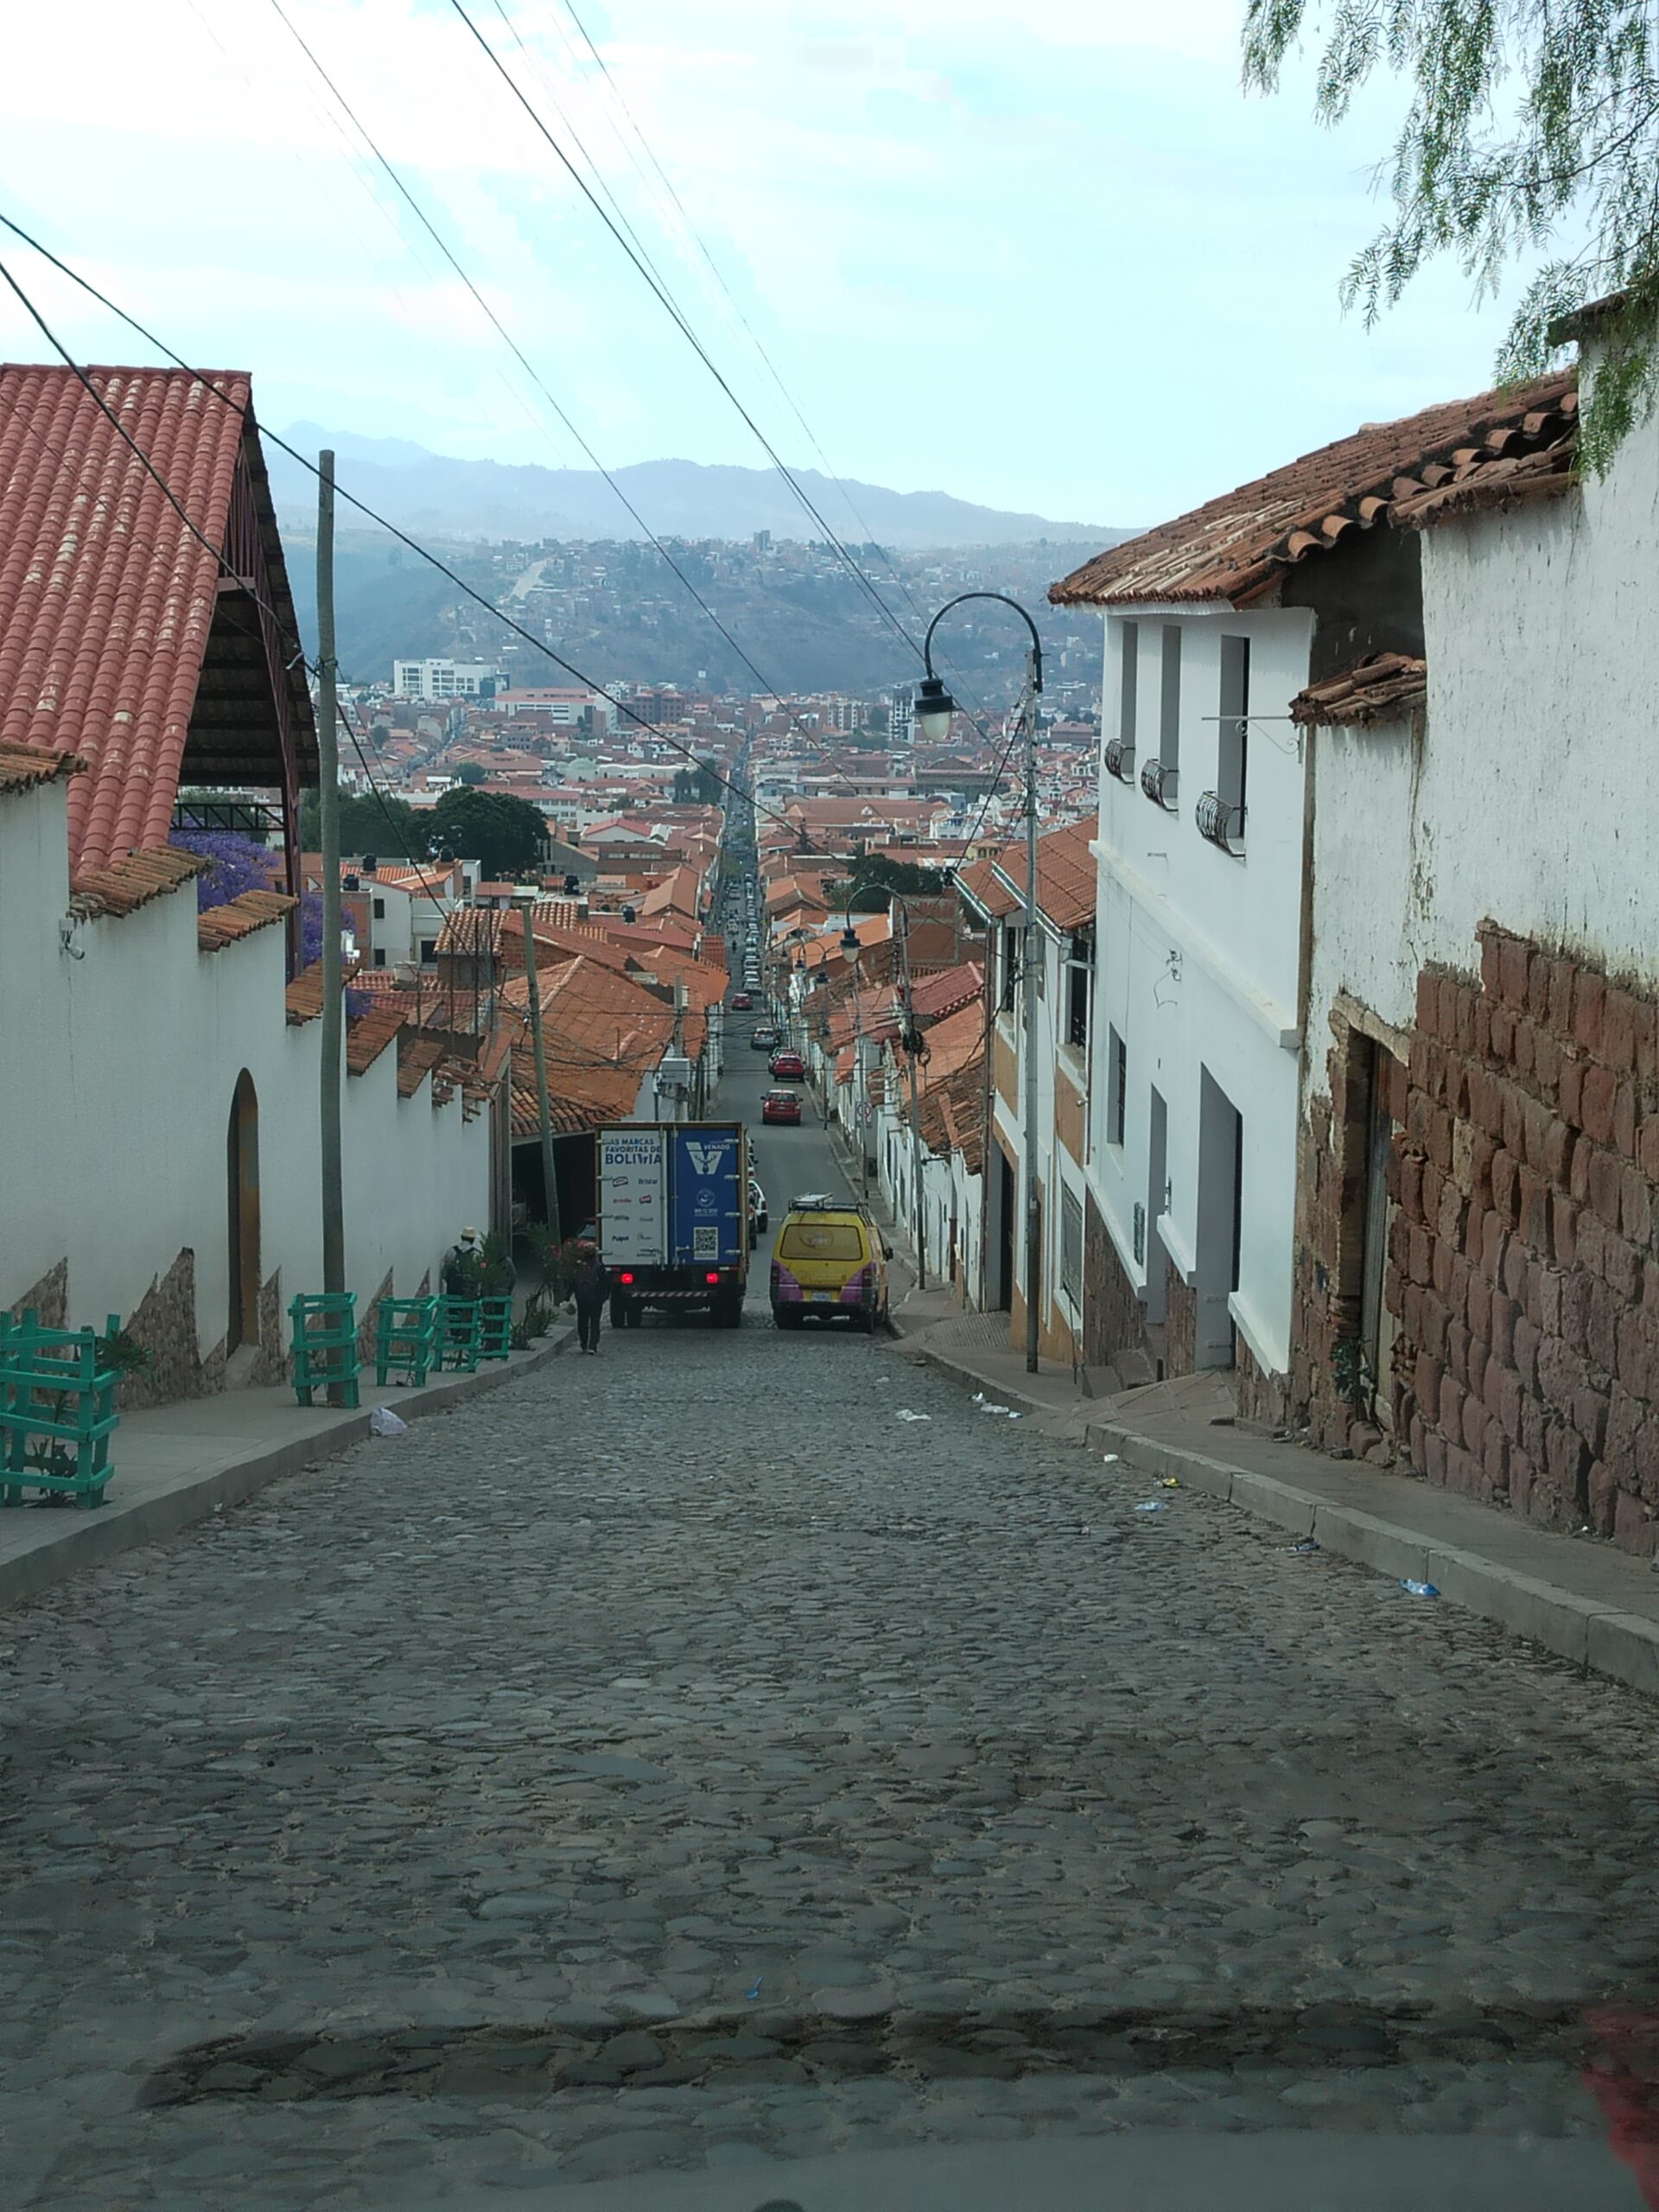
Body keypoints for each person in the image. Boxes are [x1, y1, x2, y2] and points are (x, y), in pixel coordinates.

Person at [572, 1241, 609, 1354]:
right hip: (595, 1298)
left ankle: (584, 1343)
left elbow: (572, 1281)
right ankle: (593, 1345)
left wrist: (569, 1295)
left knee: (582, 1320)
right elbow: (605, 1282)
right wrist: (605, 1295)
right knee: (595, 1321)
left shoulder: (578, 1265)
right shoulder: (599, 1267)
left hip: (581, 1297)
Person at [442, 1226, 484, 1299]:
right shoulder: (477, 1254)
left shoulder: (451, 1251)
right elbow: (480, 1276)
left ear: (461, 1237)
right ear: (473, 1240)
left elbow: (445, 1273)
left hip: (452, 1291)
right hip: (470, 1293)